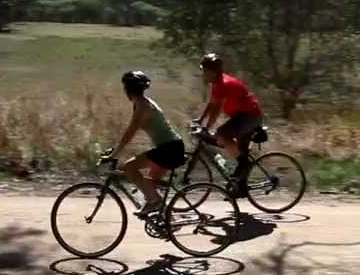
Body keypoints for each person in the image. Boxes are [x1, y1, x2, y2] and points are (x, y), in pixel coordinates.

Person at [109, 71, 185, 216]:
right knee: (150, 186)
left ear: (128, 90)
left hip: (169, 149)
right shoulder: (144, 102)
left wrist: (115, 153)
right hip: (172, 146)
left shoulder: (142, 106)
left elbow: (130, 132)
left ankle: (155, 202)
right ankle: (165, 219)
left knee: (129, 167)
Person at [196, 53, 264, 196]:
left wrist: (207, 127)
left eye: (204, 70)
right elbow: (212, 103)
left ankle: (243, 163)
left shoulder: (223, 84)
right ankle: (241, 189)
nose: (202, 73)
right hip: (244, 116)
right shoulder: (217, 82)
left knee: (222, 134)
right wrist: (200, 120)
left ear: (212, 71)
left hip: (249, 116)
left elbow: (216, 110)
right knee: (239, 149)